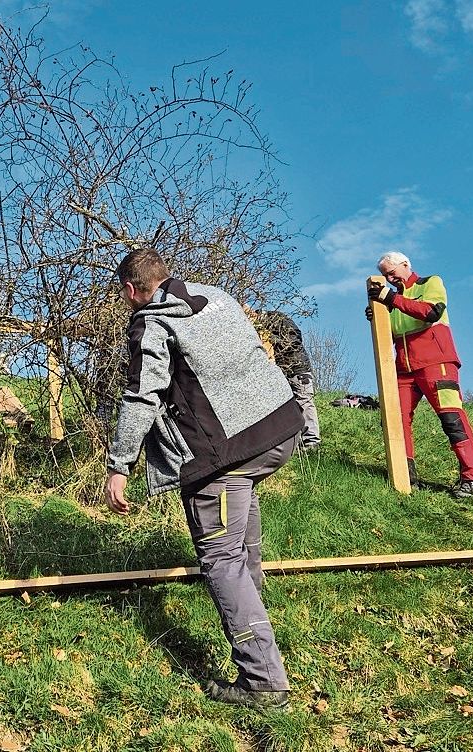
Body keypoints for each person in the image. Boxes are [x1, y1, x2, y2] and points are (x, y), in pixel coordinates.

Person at [105, 248, 303, 710]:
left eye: (125, 295)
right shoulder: (217, 296)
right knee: (240, 540)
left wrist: (120, 464)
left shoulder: (151, 323)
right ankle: (258, 629)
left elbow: (141, 396)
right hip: (278, 430)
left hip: (222, 453)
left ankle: (262, 680)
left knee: (219, 558)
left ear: (133, 289)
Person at [367, 250, 473, 498]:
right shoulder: (391, 299)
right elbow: (391, 329)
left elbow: (432, 312)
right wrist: (377, 316)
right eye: (385, 276)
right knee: (395, 421)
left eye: (392, 272)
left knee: (451, 419)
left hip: (437, 363)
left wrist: (390, 299)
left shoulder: (430, 283)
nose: (390, 278)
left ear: (406, 264)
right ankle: (406, 477)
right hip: (403, 370)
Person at [249, 308, 321, 451]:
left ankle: (311, 441)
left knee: (304, 401)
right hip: (286, 370)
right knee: (293, 404)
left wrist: (273, 341)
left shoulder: (277, 319)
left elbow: (293, 339)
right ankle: (298, 440)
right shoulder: (268, 323)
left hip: (297, 369)